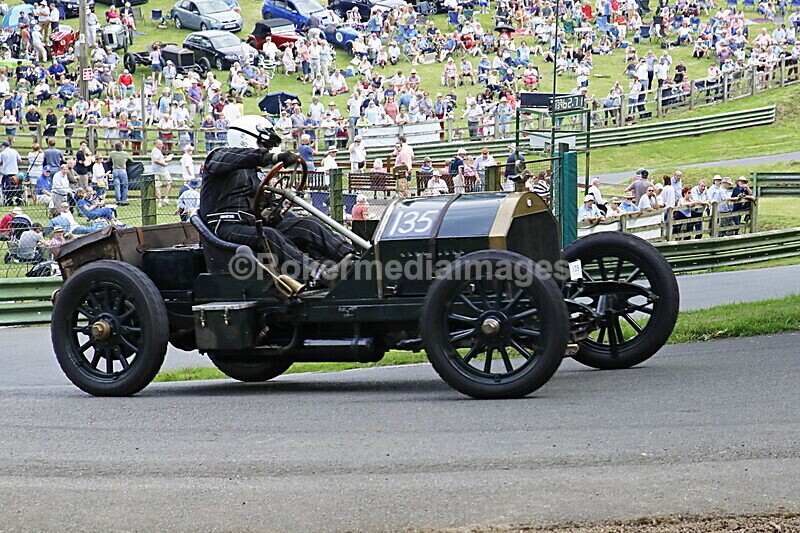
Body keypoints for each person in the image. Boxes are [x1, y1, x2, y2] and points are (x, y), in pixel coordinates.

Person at [199, 115, 354, 284]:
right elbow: (240, 157)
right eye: (263, 145)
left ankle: (353, 258)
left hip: (255, 224)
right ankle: (319, 274)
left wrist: (277, 210)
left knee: (308, 224)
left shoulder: (256, 173)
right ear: (245, 138)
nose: (266, 149)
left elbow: (264, 206)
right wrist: (272, 157)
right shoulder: (219, 157)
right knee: (268, 235)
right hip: (225, 227)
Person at [151, 139, 174, 206]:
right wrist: (164, 164)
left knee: (157, 186)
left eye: (162, 144)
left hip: (156, 170)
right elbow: (155, 160)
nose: (162, 146)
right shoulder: (156, 151)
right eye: (160, 144)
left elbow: (158, 159)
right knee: (169, 182)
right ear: (156, 144)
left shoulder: (156, 151)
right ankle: (165, 198)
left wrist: (165, 158)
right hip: (161, 170)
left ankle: (159, 201)